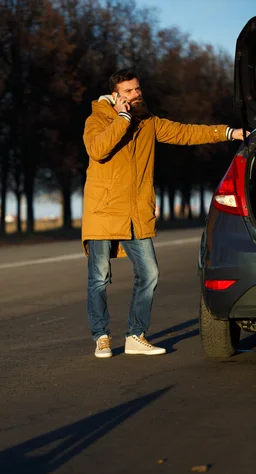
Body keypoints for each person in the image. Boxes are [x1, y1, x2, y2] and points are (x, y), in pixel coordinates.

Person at [82, 68, 247, 359]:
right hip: (103, 211)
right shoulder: (96, 120)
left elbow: (185, 133)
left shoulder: (148, 122)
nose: (137, 93)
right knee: (100, 277)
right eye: (130, 90)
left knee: (150, 273)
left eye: (137, 89)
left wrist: (228, 132)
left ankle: (135, 335)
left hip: (136, 212)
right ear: (116, 96)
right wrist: (121, 119)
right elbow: (98, 150)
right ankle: (101, 336)